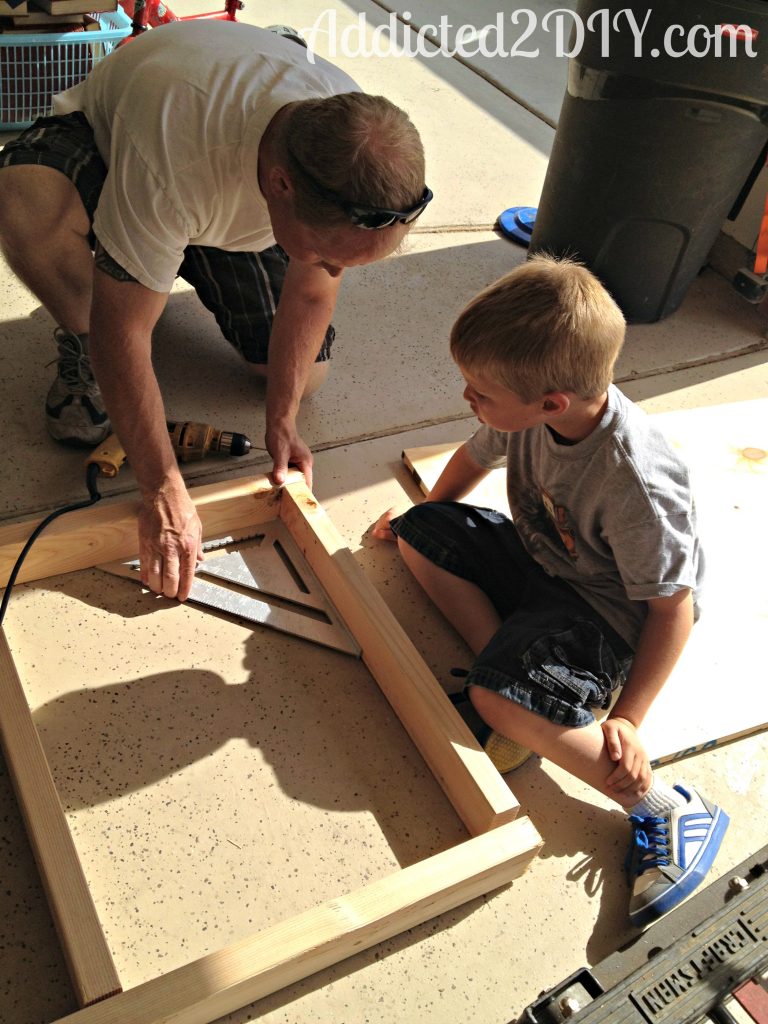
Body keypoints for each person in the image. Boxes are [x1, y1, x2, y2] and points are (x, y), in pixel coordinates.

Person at [0, 20, 431, 602]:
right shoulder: (175, 157)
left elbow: (310, 293)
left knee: (306, 378)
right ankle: (107, 289)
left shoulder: (342, 145)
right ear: (280, 186)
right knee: (25, 202)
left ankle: (167, 253)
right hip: (115, 144)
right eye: (329, 256)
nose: (333, 271)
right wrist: (162, 488)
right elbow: (122, 332)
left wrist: (282, 421)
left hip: (214, 200)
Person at [373, 255, 728, 926]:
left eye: (480, 392)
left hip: (608, 619)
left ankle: (666, 809)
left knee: (492, 697)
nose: (468, 400)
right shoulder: (527, 409)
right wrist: (425, 514)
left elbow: (672, 609)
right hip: (547, 567)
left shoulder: (637, 484)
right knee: (422, 531)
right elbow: (476, 456)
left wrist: (627, 719)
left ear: (551, 404)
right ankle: (515, 677)